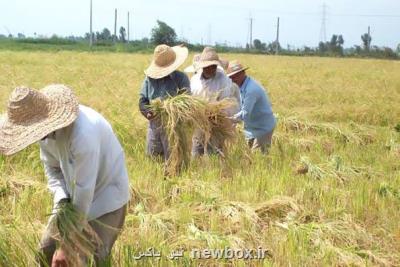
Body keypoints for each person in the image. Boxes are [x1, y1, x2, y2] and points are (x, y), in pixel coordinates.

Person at [0, 84, 130, 266]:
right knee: (45, 251)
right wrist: (61, 201)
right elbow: (52, 170)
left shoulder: (83, 134)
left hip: (105, 199)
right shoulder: (44, 135)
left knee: (85, 260)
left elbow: (84, 192)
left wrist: (67, 246)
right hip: (72, 200)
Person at [139, 44, 190, 160]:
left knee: (174, 160)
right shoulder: (149, 79)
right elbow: (142, 101)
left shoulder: (181, 78)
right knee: (154, 159)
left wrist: (171, 108)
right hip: (154, 125)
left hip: (174, 126)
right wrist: (147, 112)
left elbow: (186, 101)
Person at [190, 47, 240, 156]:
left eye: (214, 66)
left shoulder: (223, 80)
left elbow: (226, 103)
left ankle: (215, 172)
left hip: (217, 124)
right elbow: (190, 99)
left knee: (213, 154)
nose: (211, 69)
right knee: (196, 153)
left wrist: (212, 112)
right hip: (199, 122)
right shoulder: (194, 80)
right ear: (202, 66)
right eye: (208, 66)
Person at [227, 60, 276, 154]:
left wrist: (229, 120)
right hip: (251, 128)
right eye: (231, 77)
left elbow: (245, 113)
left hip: (263, 128)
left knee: (258, 158)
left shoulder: (251, 89)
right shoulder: (242, 86)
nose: (233, 79)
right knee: (249, 156)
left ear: (243, 73)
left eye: (236, 75)